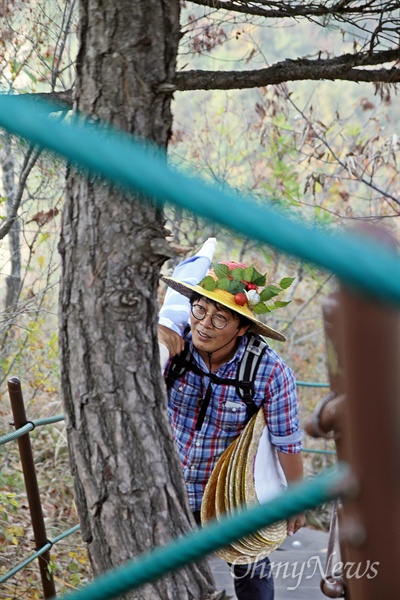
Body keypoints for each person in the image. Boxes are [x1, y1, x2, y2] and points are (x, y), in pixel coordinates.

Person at [158, 241, 304, 600]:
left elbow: (287, 440)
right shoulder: (172, 345)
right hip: (169, 487)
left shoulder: (269, 372)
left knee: (253, 572)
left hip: (230, 494)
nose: (204, 325)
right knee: (165, 574)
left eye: (220, 318)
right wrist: (159, 332)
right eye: (200, 309)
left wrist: (297, 498)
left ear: (242, 328)